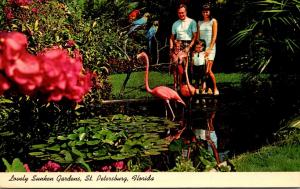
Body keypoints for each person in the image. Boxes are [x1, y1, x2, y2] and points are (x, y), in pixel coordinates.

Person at [197, 4, 219, 95]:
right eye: (203, 11)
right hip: (202, 48)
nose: (205, 13)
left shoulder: (213, 21)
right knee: (202, 70)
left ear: (210, 12)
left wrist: (209, 49)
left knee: (208, 70)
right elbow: (198, 37)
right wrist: (200, 46)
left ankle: (215, 88)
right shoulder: (199, 22)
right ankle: (205, 88)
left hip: (211, 48)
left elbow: (214, 37)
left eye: (207, 11)